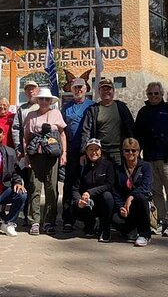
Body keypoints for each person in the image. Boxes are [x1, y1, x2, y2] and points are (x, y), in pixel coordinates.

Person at [134, 82, 168, 238]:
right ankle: (161, 219)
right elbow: (138, 134)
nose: (153, 96)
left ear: (161, 94)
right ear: (147, 94)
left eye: (156, 93)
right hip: (149, 157)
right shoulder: (143, 112)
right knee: (155, 191)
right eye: (150, 94)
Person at [22, 87, 67, 235]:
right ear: (38, 100)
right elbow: (26, 137)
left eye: (46, 99)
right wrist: (26, 155)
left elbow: (62, 134)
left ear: (50, 101)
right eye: (41, 99)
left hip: (52, 156)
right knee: (35, 187)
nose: (44, 102)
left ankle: (49, 221)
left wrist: (64, 153)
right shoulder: (31, 115)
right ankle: (34, 221)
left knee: (51, 189)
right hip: (36, 156)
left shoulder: (56, 114)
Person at [61, 77, 95, 233]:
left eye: (80, 87)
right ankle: (68, 219)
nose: (78, 90)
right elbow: (62, 131)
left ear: (86, 88)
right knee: (69, 186)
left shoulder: (92, 106)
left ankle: (89, 220)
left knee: (87, 185)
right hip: (71, 152)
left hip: (89, 152)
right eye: (75, 87)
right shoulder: (66, 108)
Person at [80, 78, 135, 166]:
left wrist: (133, 149)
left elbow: (131, 128)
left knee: (120, 178)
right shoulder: (93, 109)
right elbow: (86, 131)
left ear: (113, 91)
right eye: (103, 89)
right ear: (99, 92)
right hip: (100, 152)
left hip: (119, 152)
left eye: (109, 89)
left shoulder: (121, 107)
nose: (106, 92)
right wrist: (83, 152)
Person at [72, 138, 115, 242]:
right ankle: (90, 224)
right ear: (86, 151)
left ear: (101, 151)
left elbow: (109, 184)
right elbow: (75, 189)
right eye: (90, 149)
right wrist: (79, 201)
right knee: (73, 205)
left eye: (96, 149)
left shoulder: (108, 165)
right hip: (88, 203)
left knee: (108, 196)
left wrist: (90, 192)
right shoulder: (82, 167)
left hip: (102, 201)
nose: (93, 152)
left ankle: (105, 228)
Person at [113, 138, 153, 247]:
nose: (130, 153)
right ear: (123, 152)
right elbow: (115, 191)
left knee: (141, 198)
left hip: (140, 204)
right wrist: (121, 207)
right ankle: (130, 230)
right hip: (126, 207)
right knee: (115, 220)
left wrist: (131, 197)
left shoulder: (145, 167)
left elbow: (146, 187)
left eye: (133, 150)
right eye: (127, 150)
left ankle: (145, 234)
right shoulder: (118, 170)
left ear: (138, 151)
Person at [11, 80, 39, 226]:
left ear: (38, 90)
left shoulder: (45, 105)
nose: (30, 91)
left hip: (41, 154)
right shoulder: (22, 109)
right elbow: (15, 128)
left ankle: (37, 216)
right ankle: (26, 216)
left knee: (37, 185)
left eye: (33, 88)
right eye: (28, 89)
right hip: (25, 152)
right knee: (26, 183)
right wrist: (18, 148)